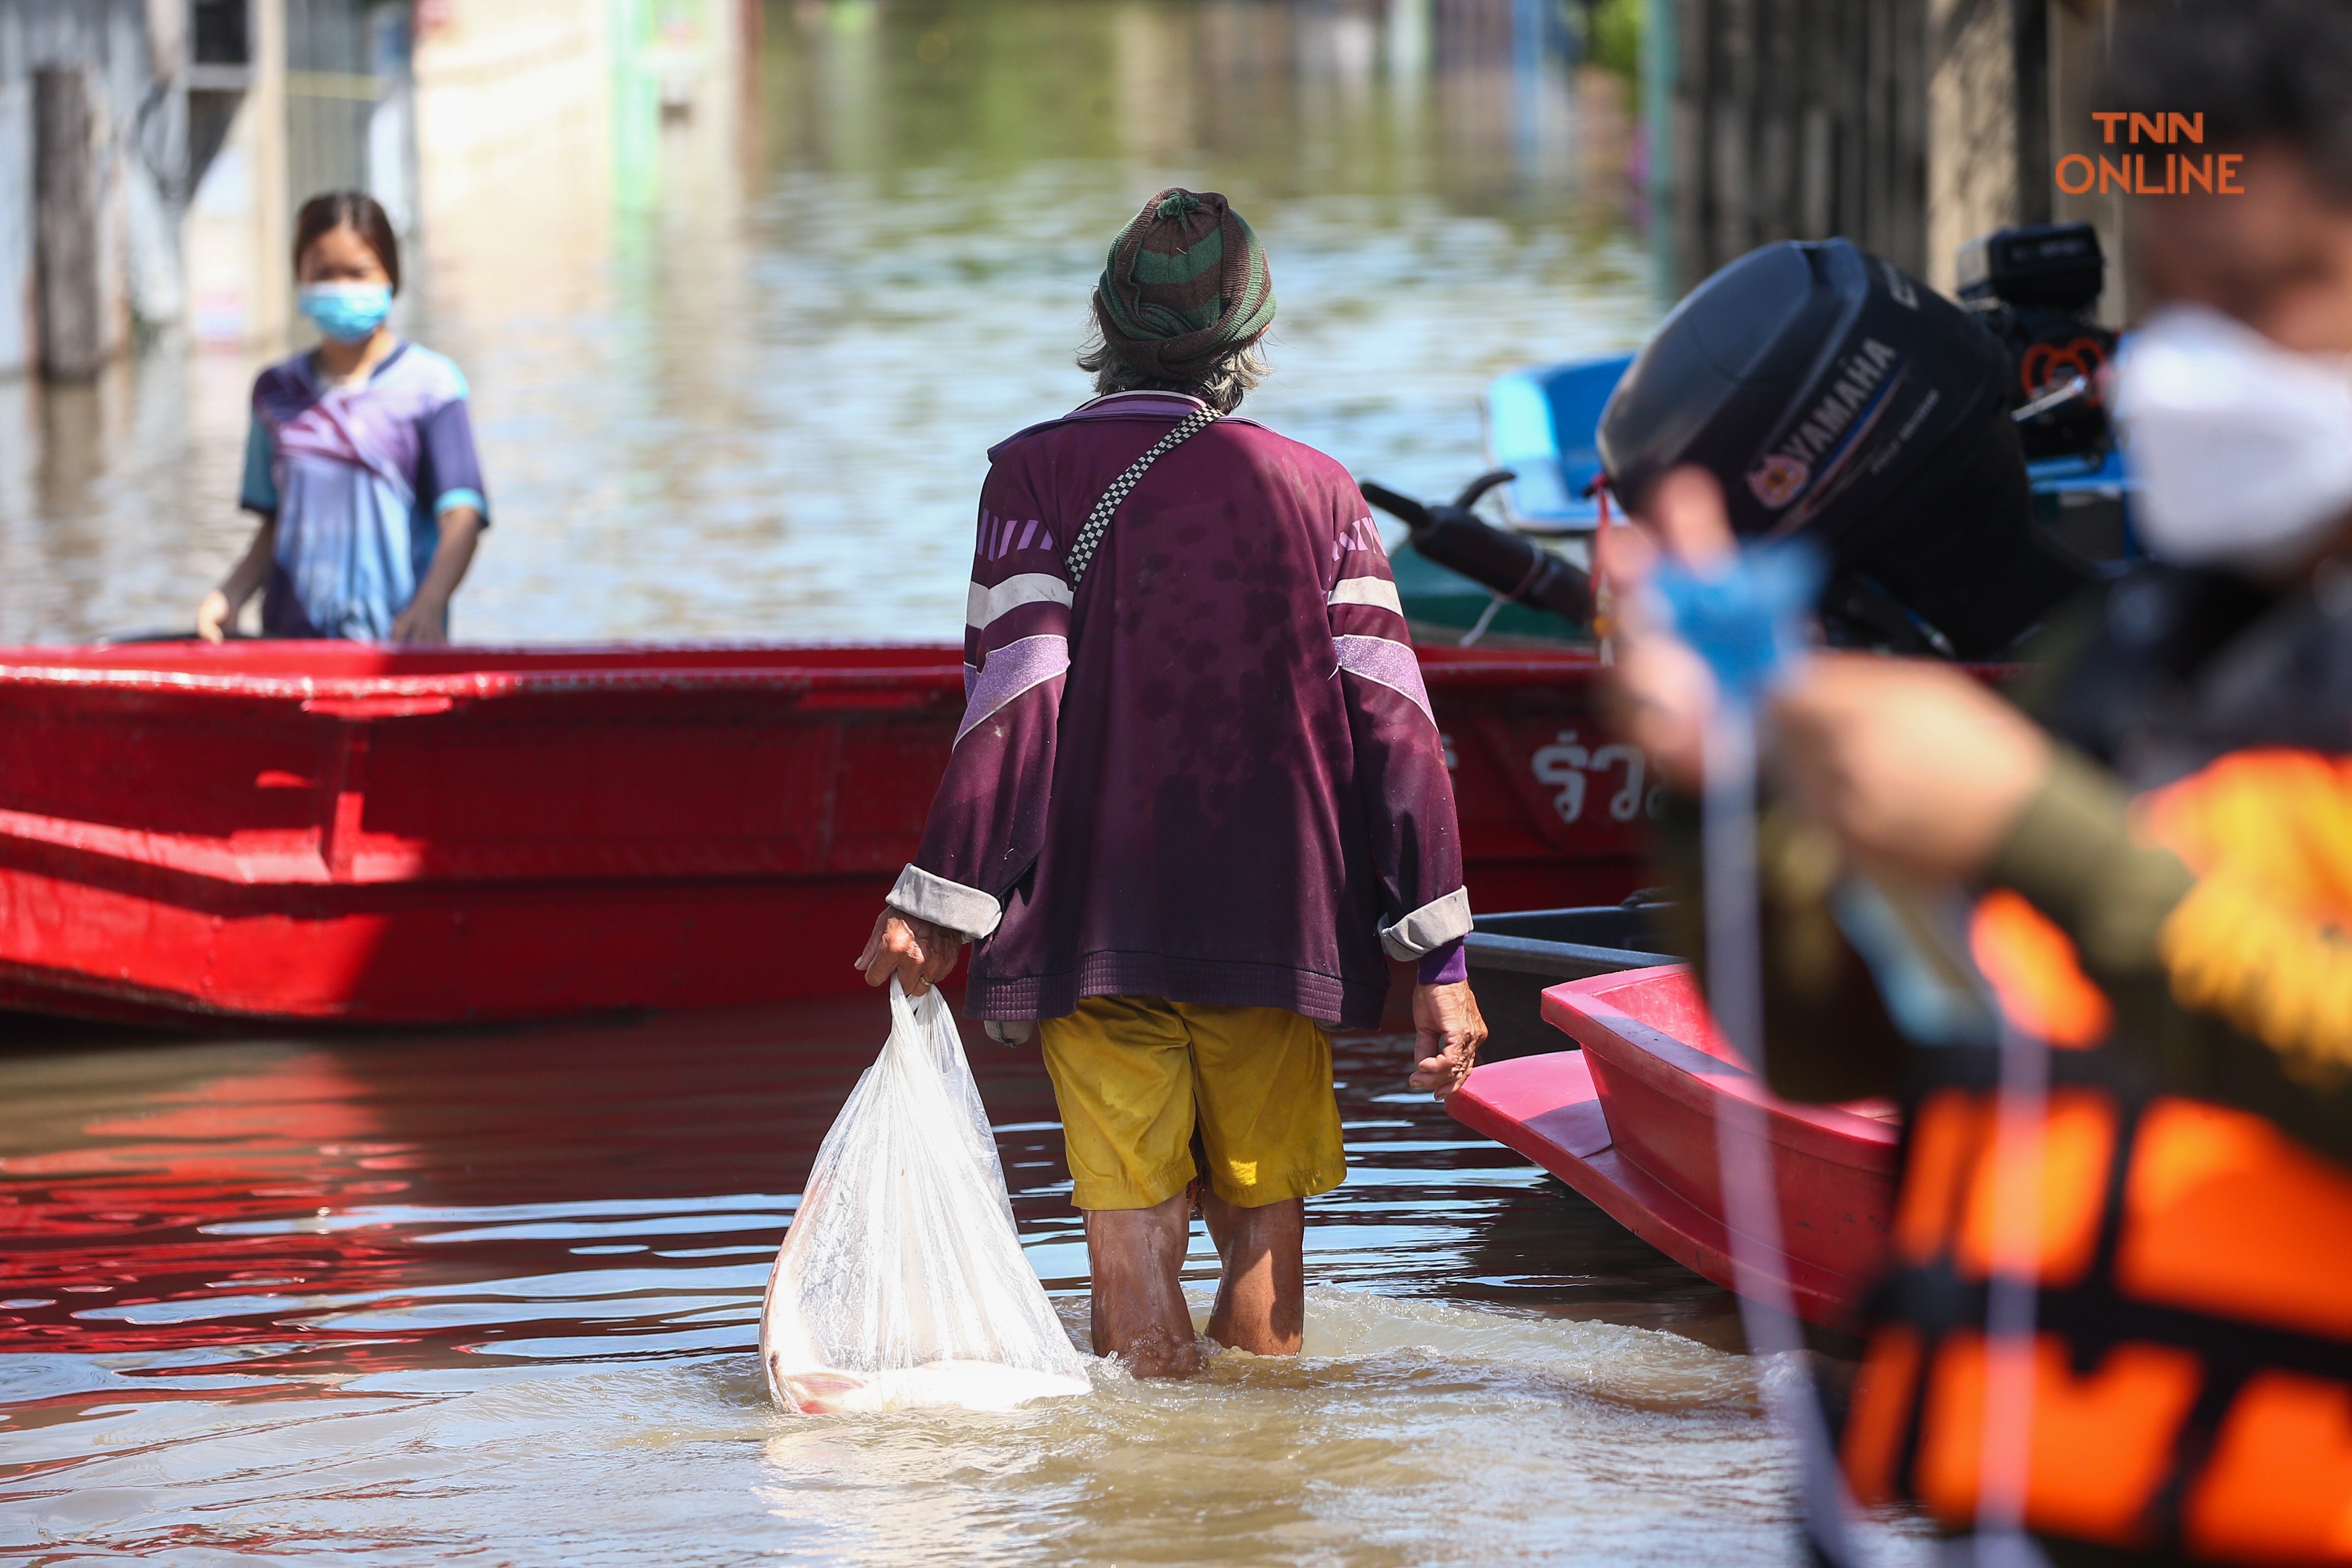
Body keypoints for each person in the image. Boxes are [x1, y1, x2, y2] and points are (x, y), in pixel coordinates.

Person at [1609, 3, 2352, 1562]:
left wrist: (2036, 832)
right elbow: (1825, 1044)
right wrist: (1719, 783)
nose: (2203, 368)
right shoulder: (2139, 655)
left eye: (2271, 298)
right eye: (2179, 302)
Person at [856, 188, 1487, 1379]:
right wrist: (1441, 959)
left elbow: (1018, 695)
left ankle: (1145, 1504)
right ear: (1248, 339)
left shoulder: (1030, 477)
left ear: (1103, 319)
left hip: (1095, 922)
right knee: (1262, 1221)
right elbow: (1399, 726)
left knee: (1128, 1231)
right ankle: (1258, 1499)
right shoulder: (1321, 492)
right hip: (1277, 916)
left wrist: (940, 897)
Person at [197, 191, 487, 644]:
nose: (341, 287)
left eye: (358, 273)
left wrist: (429, 606)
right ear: (300, 279)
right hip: (291, 645)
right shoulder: (276, 391)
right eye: (323, 273)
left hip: (397, 643)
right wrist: (230, 594)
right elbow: (276, 523)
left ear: (392, 275)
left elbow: (462, 516)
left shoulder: (432, 386)